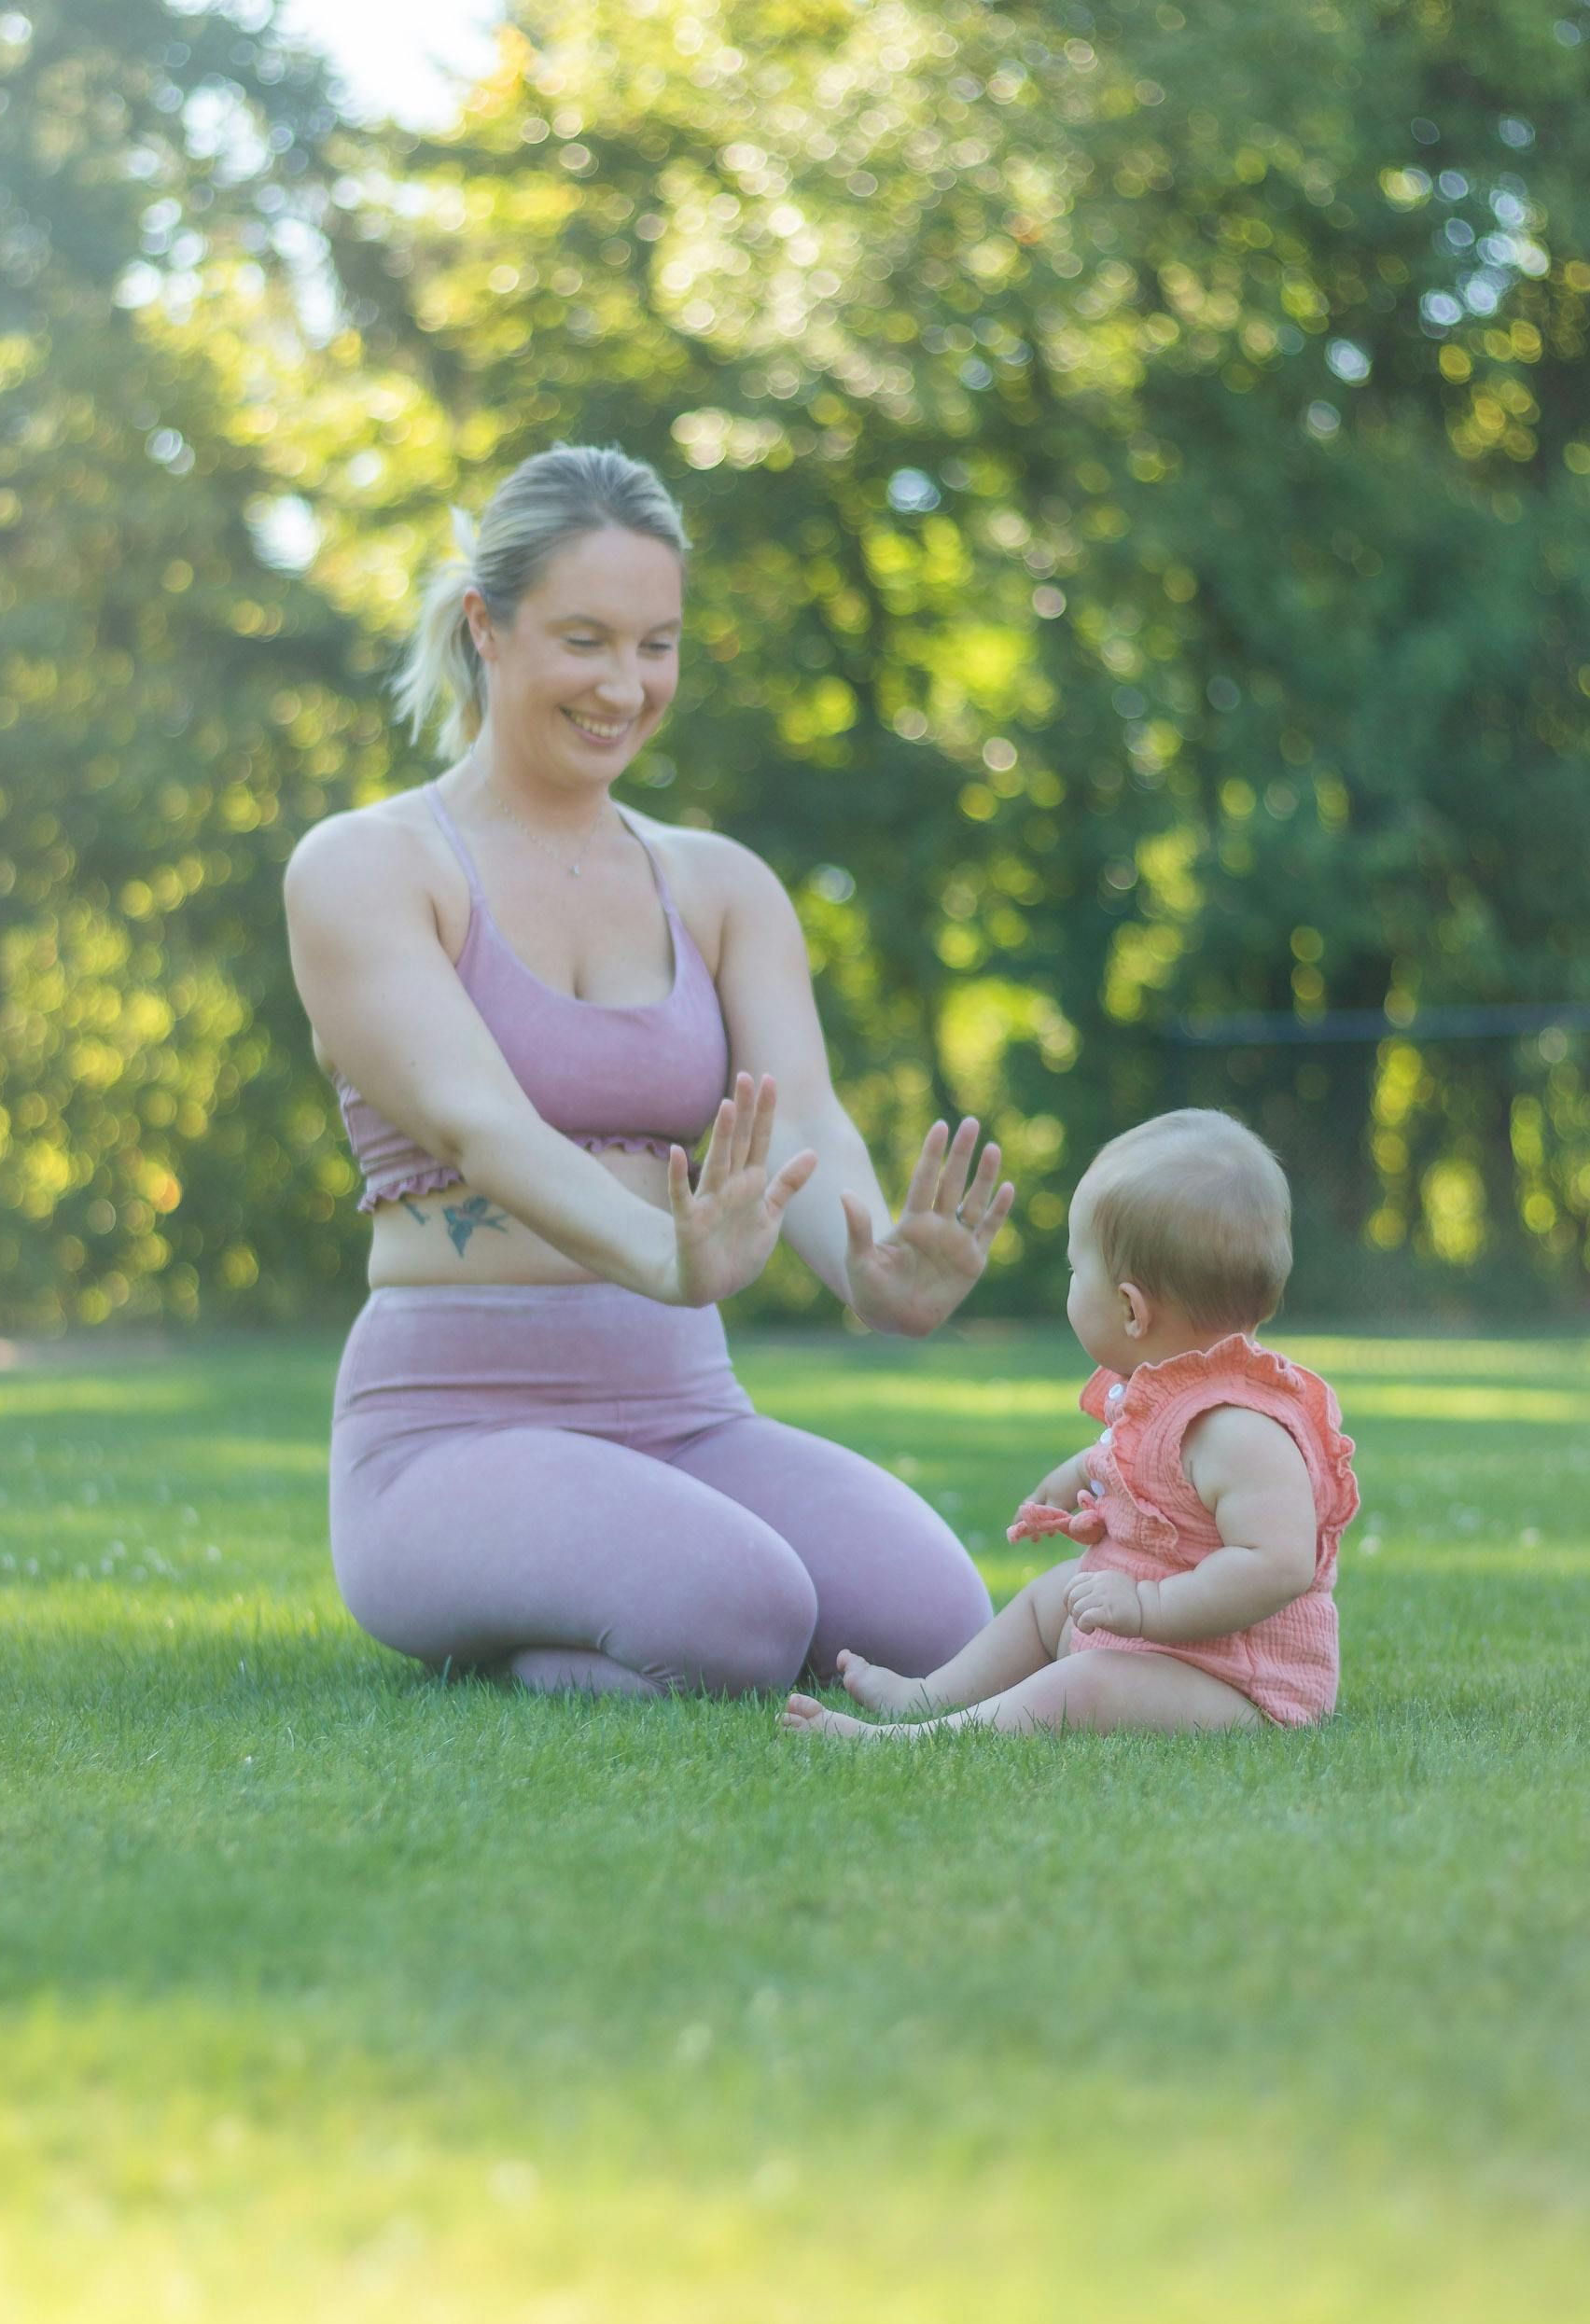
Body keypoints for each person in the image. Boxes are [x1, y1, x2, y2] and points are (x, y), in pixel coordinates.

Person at [283, 441, 1014, 1696]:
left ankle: (608, 1610)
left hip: (685, 1414)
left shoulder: (720, 885)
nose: (625, 685)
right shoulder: (367, 867)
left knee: (939, 1621)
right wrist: (663, 1256)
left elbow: (808, 1119)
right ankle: (538, 1618)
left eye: (656, 644)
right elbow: (476, 1126)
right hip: (451, 1426)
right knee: (742, 1612)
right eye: (586, 640)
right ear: (486, 628)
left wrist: (871, 1269)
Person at [782, 1108, 1358, 1741]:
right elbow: (1152, 1470)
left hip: (1241, 1686)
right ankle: (926, 1695)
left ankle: (912, 1743)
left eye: (1076, 1270)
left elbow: (1277, 1565)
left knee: (1087, 1685)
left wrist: (1146, 1606)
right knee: (1052, 1594)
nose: (1071, 1284)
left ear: (1131, 1309)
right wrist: (1081, 1471)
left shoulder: (1241, 1432)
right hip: (1170, 1645)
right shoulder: (1163, 1391)